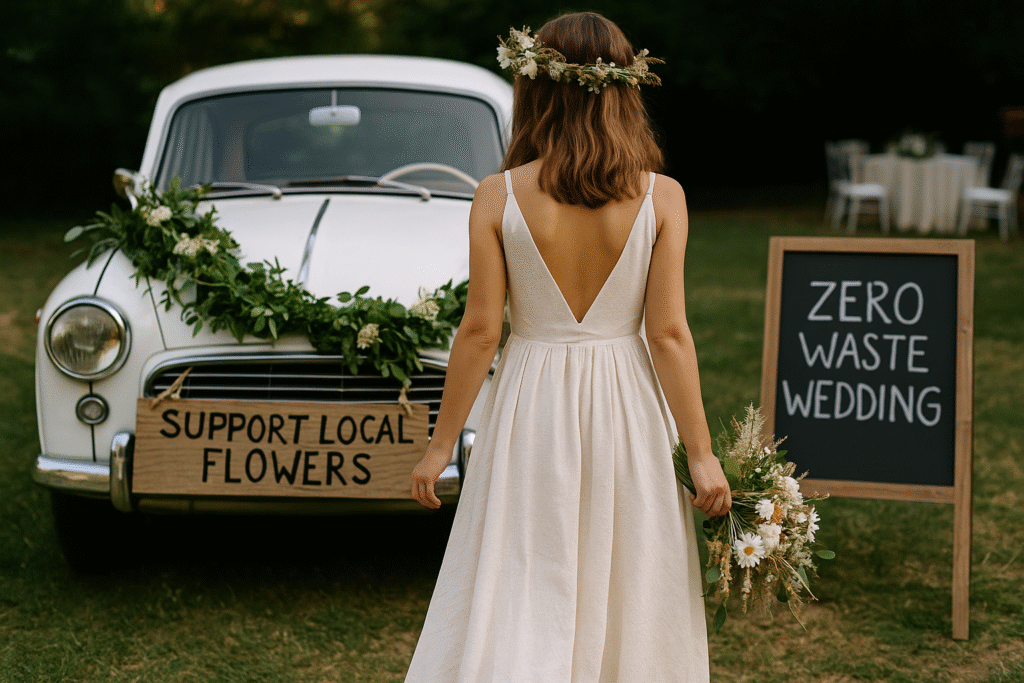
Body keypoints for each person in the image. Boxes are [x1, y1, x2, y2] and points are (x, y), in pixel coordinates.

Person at [406, 12, 730, 682]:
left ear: (535, 87)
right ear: (623, 91)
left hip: (532, 402)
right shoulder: (663, 197)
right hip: (628, 403)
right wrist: (701, 455)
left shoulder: (498, 195)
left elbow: (480, 330)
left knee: (525, 569)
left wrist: (441, 444)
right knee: (630, 572)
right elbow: (668, 333)